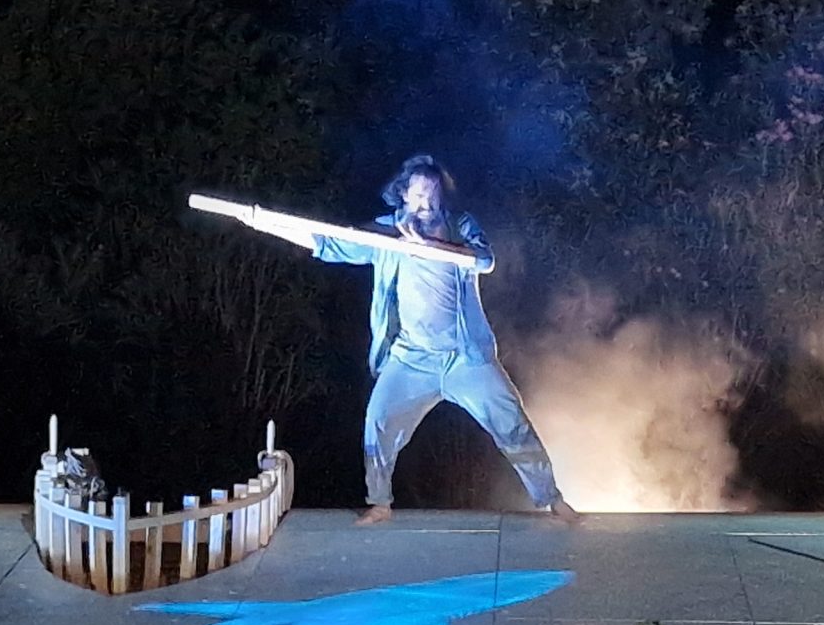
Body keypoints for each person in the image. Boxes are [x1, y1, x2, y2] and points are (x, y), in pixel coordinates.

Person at [246, 155, 577, 525]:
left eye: (433, 195)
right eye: (419, 195)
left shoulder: (460, 226)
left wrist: (429, 245)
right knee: (379, 421)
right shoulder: (387, 235)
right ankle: (380, 503)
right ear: (403, 195)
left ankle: (552, 499)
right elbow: (328, 243)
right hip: (411, 359)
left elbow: (485, 261)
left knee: (511, 421)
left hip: (466, 358)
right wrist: (264, 223)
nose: (427, 204)